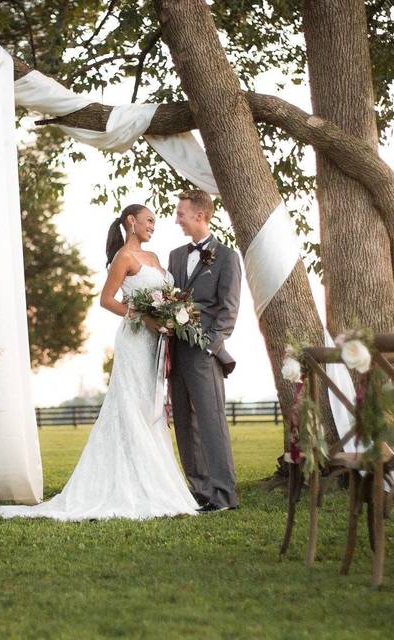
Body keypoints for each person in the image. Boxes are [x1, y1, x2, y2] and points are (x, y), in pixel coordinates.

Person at [0, 204, 198, 521]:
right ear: (131, 222)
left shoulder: (155, 259)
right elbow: (106, 299)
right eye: (148, 220)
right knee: (130, 405)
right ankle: (130, 487)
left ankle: (155, 481)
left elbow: (167, 296)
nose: (152, 226)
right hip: (134, 340)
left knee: (150, 408)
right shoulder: (124, 258)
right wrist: (140, 315)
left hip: (157, 342)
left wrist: (171, 315)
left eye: (155, 222)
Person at [167, 189, 241, 513]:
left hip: (204, 353)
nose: (176, 219)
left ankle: (223, 496)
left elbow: (229, 310)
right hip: (176, 351)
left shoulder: (226, 257)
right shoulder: (174, 256)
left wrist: (210, 347)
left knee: (211, 423)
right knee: (184, 424)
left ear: (200, 215)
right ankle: (198, 492)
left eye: (181, 213)